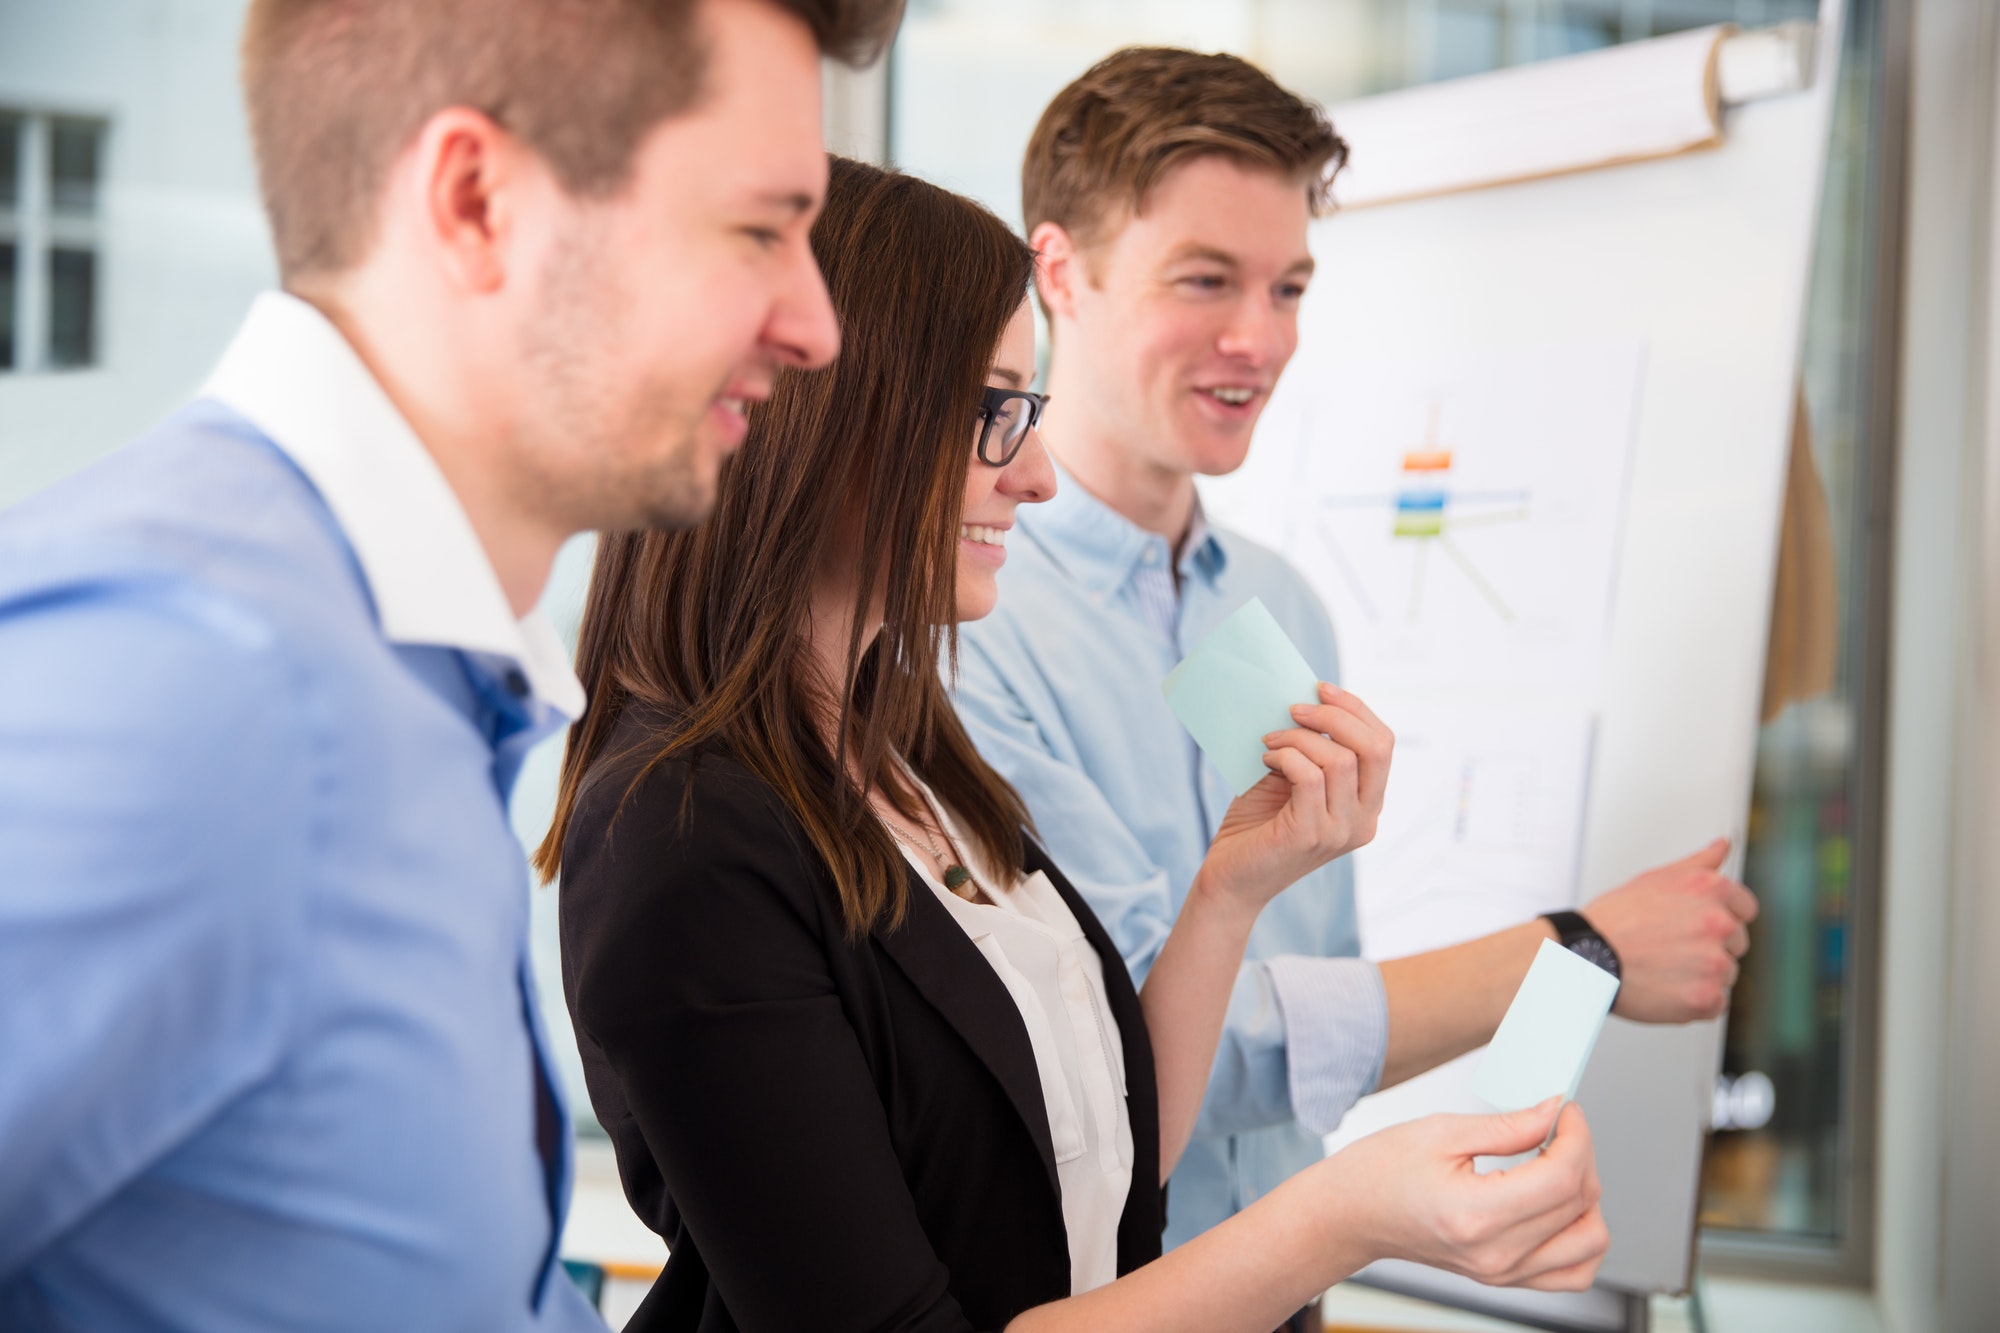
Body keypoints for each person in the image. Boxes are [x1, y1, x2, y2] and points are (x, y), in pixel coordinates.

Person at [543, 155, 1607, 1333]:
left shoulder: (901, 744)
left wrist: (1228, 889)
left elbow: (1103, 1162)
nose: (1036, 477)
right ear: (828, 414)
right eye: (995, 413)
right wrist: (1344, 1214)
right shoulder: (682, 841)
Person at [0, 0, 901, 1328]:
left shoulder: (400, 677)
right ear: (477, 202)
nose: (815, 324)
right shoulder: (190, 678)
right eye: (761, 230)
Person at [951, 44, 1763, 1287]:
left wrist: (1558, 1009)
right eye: (1206, 279)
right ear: (1059, 270)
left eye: (1287, 288)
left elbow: (1310, 996)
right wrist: (1577, 954)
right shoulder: (967, 623)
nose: (1256, 339)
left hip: (1287, 1290)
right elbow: (1137, 1057)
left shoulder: (1280, 606)